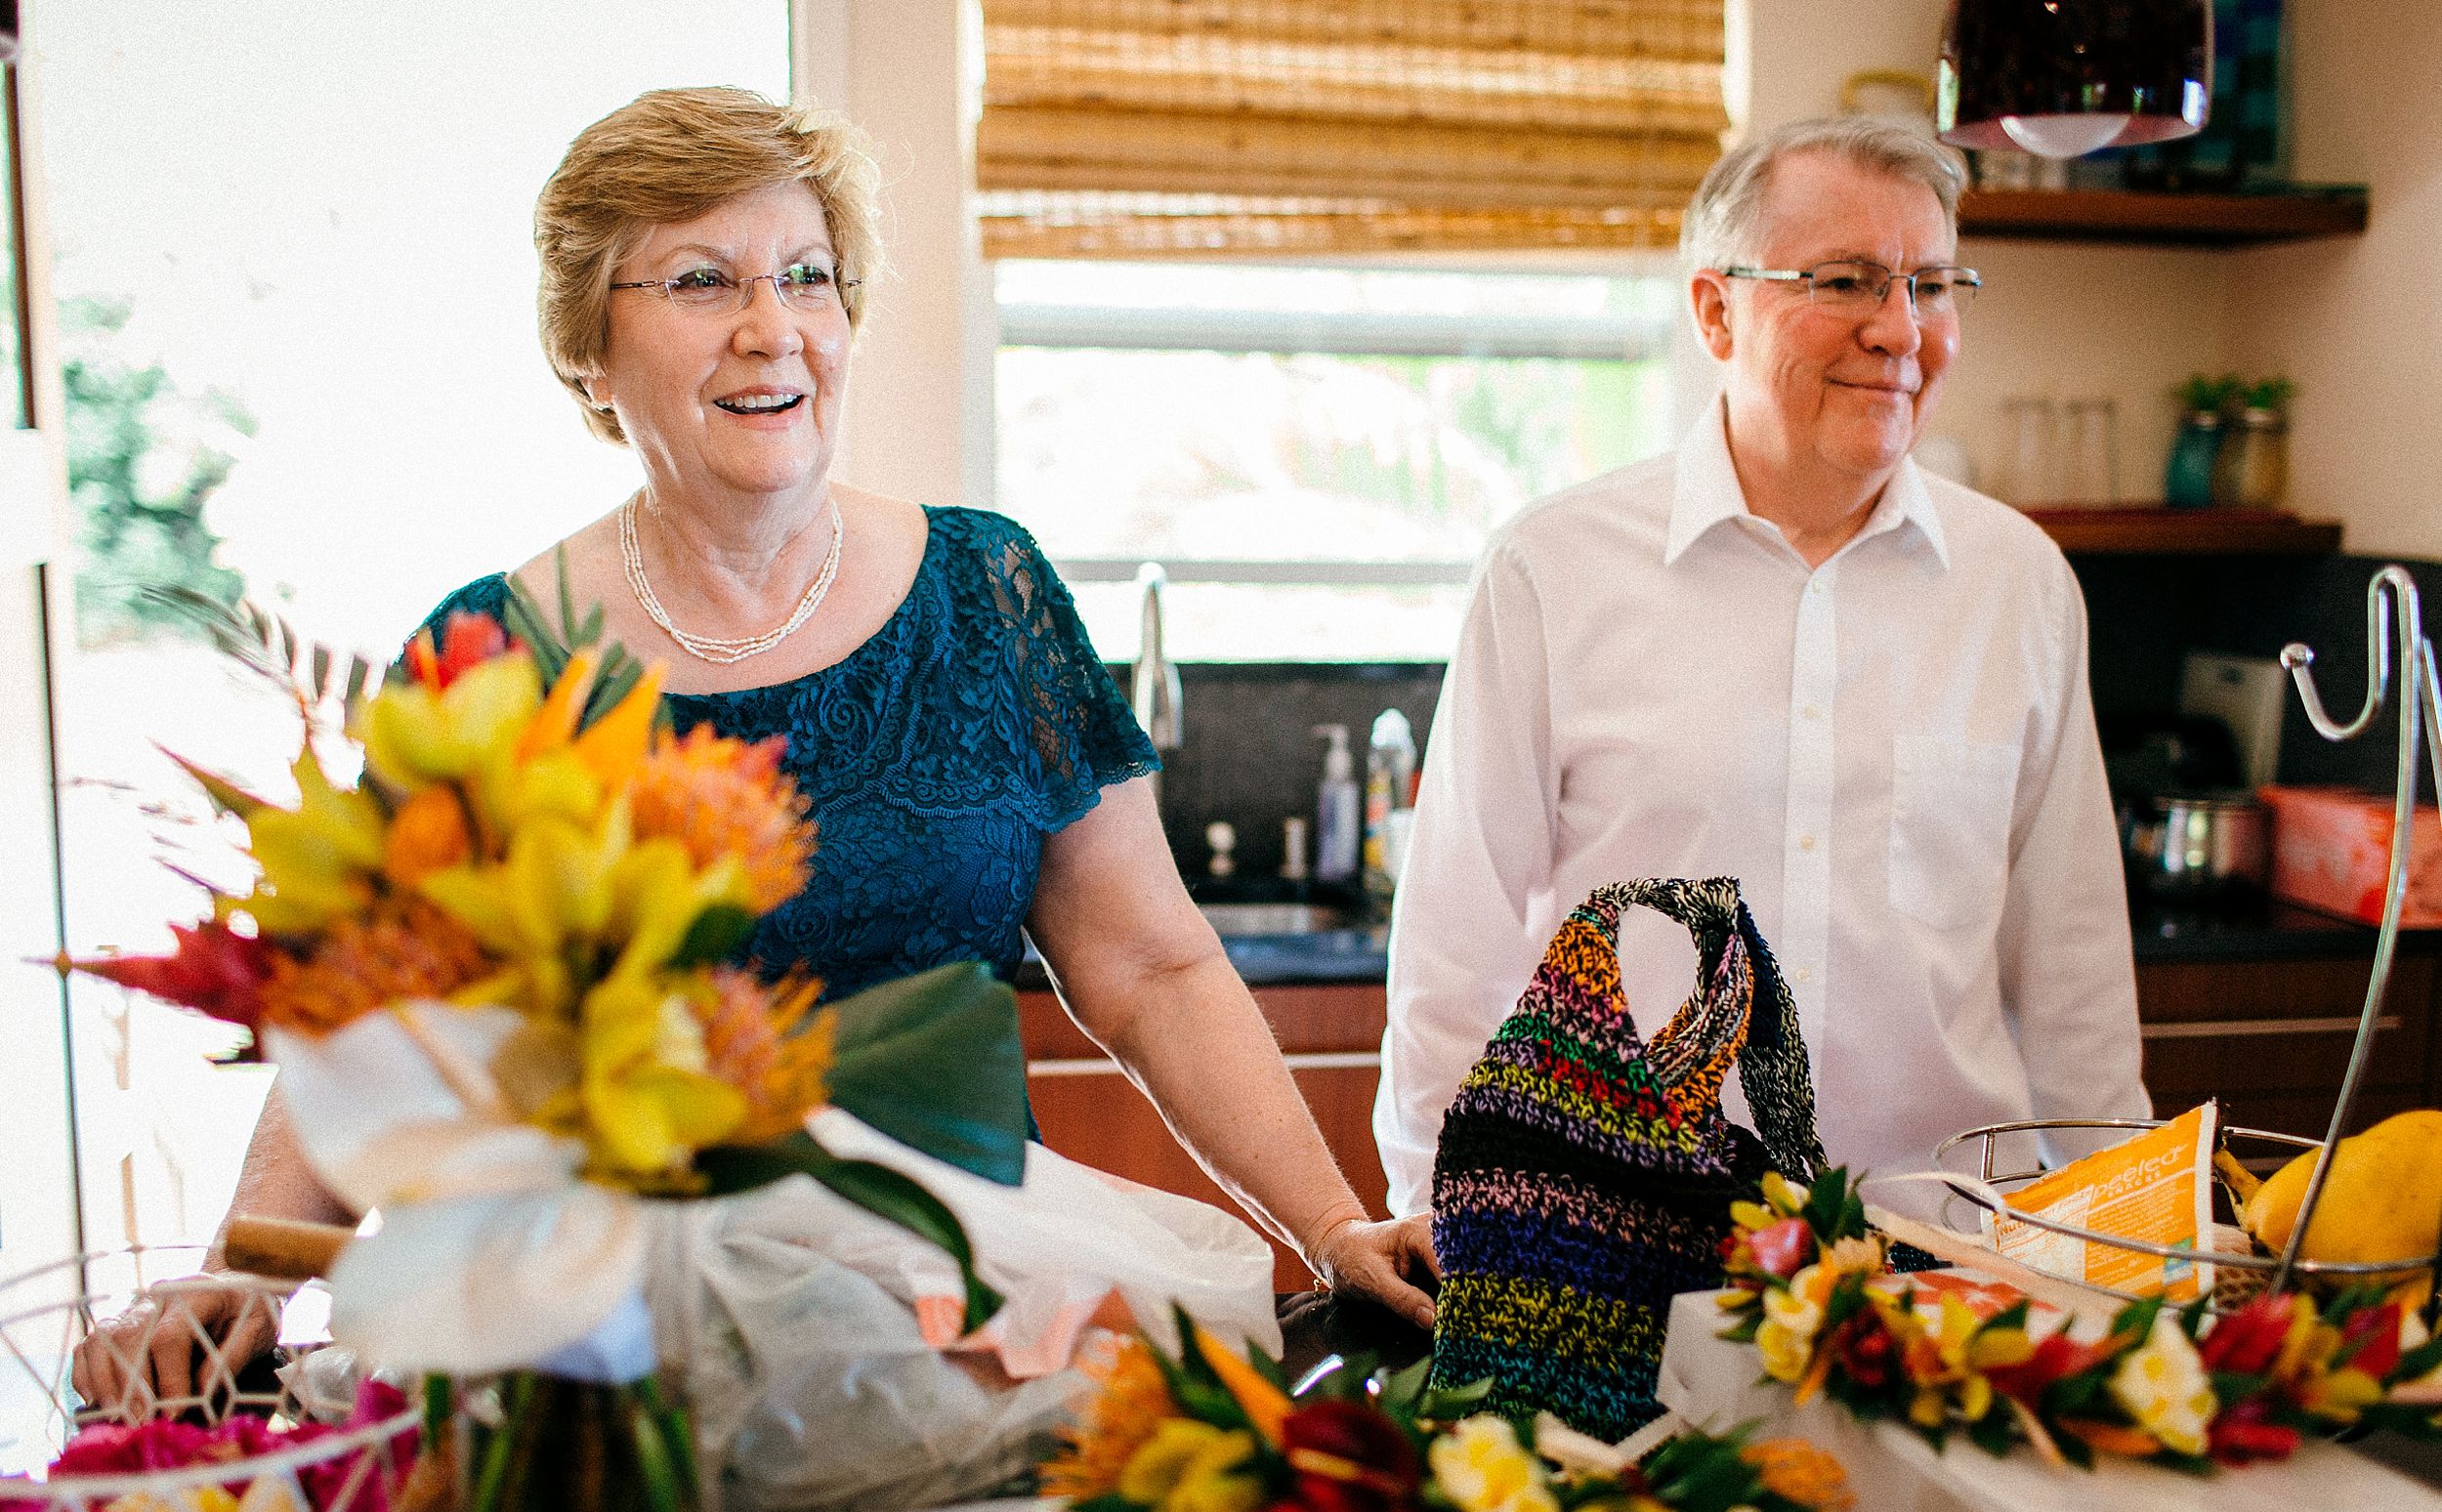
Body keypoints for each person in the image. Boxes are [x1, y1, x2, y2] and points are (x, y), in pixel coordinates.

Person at [78, 87, 1433, 1408]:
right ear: (585, 350)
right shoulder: (488, 658)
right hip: (615, 1375)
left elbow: (1148, 962)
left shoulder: (988, 594)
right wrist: (243, 1275)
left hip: (967, 1336)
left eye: (807, 275)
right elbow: (370, 1027)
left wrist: (1331, 1223)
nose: (770, 329)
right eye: (700, 282)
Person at [1373, 116, 2148, 1218]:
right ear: (1713, 310)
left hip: (1951, 1261)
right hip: (1624, 1257)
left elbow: (2073, 971)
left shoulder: (2018, 582)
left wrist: (2105, 1259)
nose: (1899, 329)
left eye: (1930, 284)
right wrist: (1451, 1228)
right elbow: (1455, 956)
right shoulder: (1552, 571)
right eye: (1845, 280)